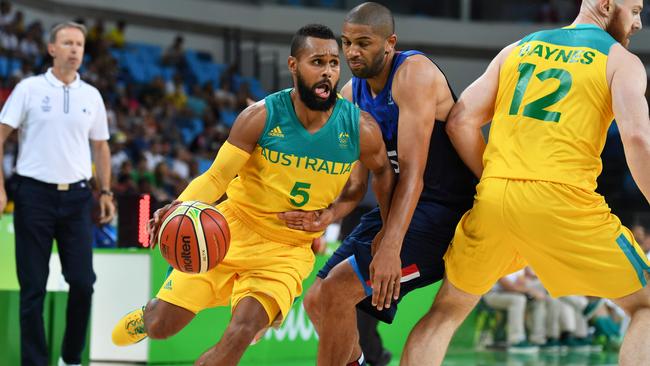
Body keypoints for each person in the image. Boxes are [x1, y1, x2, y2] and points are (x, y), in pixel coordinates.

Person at [110, 24, 395, 366]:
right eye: (317, 62)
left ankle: (253, 311)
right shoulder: (260, 116)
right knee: (161, 326)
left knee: (240, 332)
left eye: (334, 63)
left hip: (287, 250)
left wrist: (333, 216)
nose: (328, 72)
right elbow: (217, 177)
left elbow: (373, 178)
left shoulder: (359, 128)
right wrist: (177, 206)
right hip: (231, 229)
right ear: (294, 66)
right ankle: (148, 317)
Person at [401, 1, 650, 365]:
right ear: (607, 4)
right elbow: (639, 140)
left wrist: (493, 179)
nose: (639, 24)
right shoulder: (620, 60)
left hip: (495, 198)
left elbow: (459, 122)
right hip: (561, 201)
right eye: (635, 10)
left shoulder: (518, 48)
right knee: (645, 305)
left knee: (448, 309)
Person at [280, 3, 477, 365]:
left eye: (364, 43)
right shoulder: (352, 96)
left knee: (339, 290)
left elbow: (414, 174)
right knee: (316, 301)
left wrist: (390, 246)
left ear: (390, 43)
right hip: (398, 208)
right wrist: (329, 215)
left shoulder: (413, 74)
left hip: (444, 213)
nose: (353, 52)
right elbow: (356, 184)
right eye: (347, 43)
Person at [0, 21, 115, 366]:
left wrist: (106, 191)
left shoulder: (91, 95)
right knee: (32, 288)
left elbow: (102, 147)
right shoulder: (29, 89)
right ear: (52, 49)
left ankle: (70, 358)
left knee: (83, 283)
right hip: (33, 195)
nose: (75, 49)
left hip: (78, 199)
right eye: (67, 43)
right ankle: (34, 362)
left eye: (79, 44)